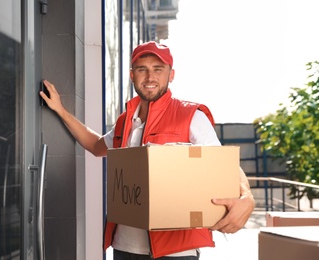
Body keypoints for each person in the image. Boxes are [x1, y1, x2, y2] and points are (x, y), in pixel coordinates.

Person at [40, 41, 255, 260]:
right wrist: (60, 110)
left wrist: (247, 197)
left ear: (171, 75)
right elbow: (96, 146)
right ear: (132, 75)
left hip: (176, 251)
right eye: (142, 69)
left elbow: (222, 164)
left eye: (158, 69)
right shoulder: (126, 121)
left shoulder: (190, 115)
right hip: (125, 247)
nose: (150, 77)